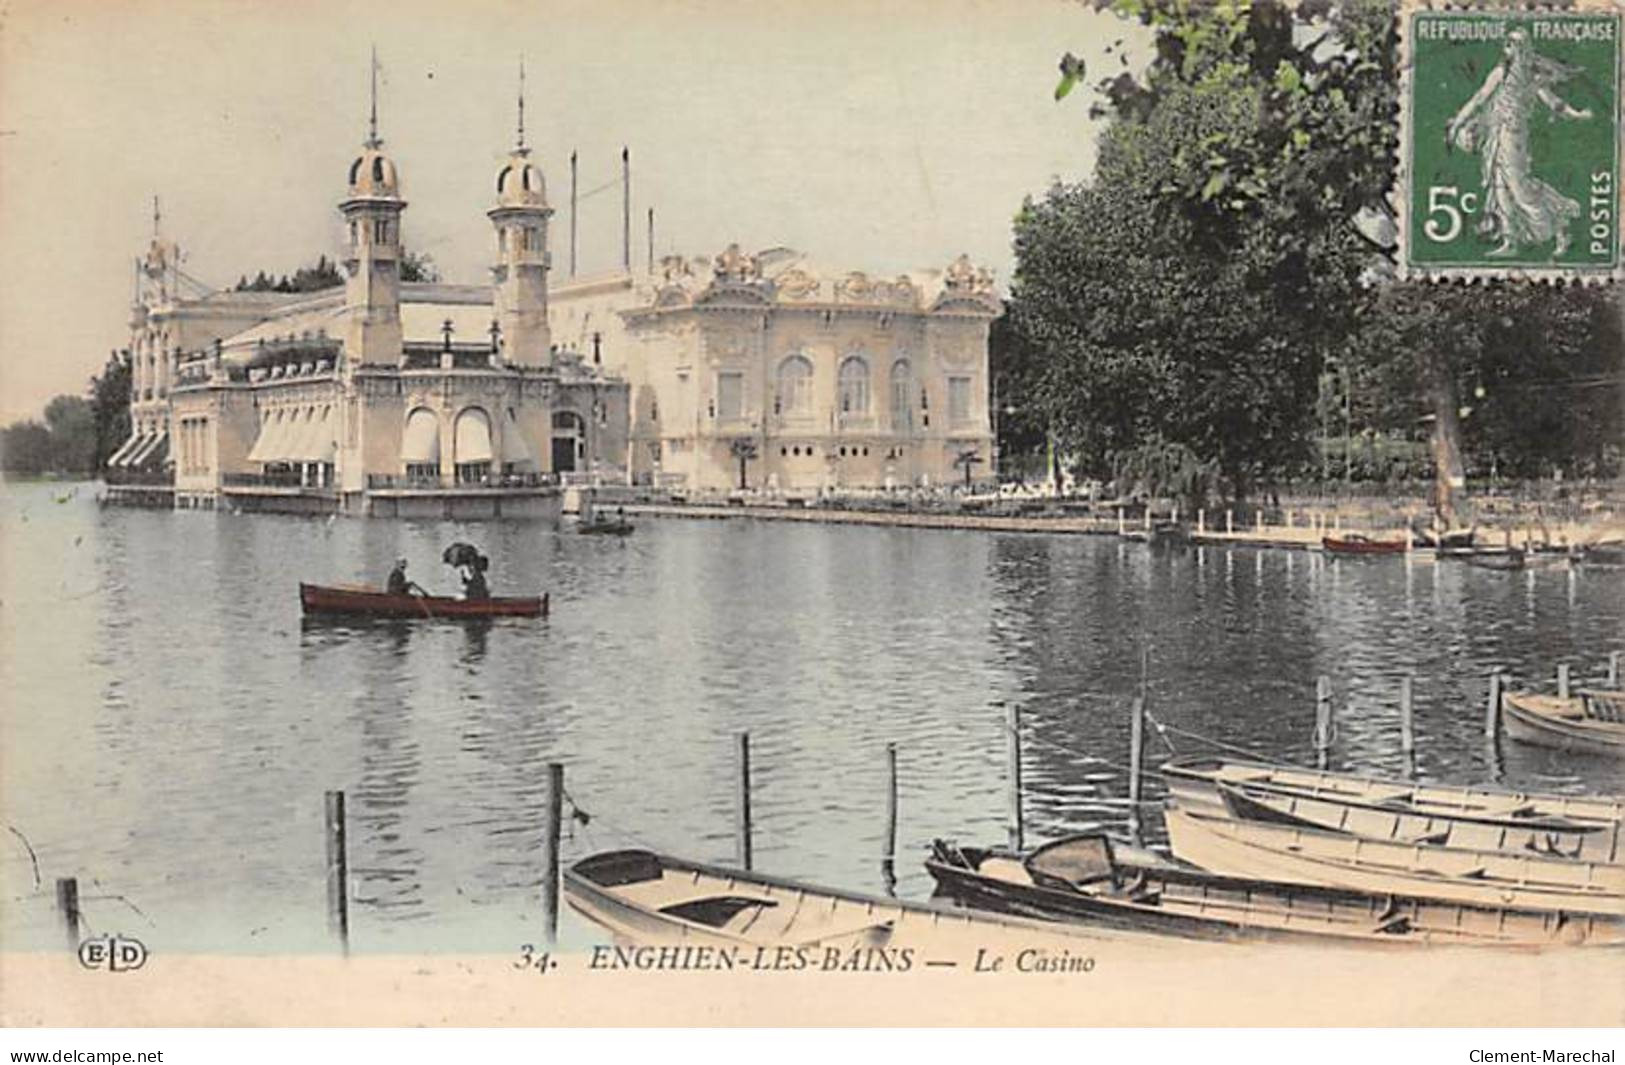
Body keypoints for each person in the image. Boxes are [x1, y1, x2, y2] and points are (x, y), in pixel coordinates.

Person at [1445, 29, 1593, 258]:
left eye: (1513, 44)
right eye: (1507, 44)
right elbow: (1478, 99)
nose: (1508, 48)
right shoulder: (1500, 73)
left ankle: (1560, 223)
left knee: (1519, 187)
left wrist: (1577, 115)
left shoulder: (1533, 77)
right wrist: (1457, 124)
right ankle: (1510, 241)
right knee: (1499, 186)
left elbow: (1554, 103)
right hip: (1495, 134)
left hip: (1514, 136)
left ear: (1523, 48)